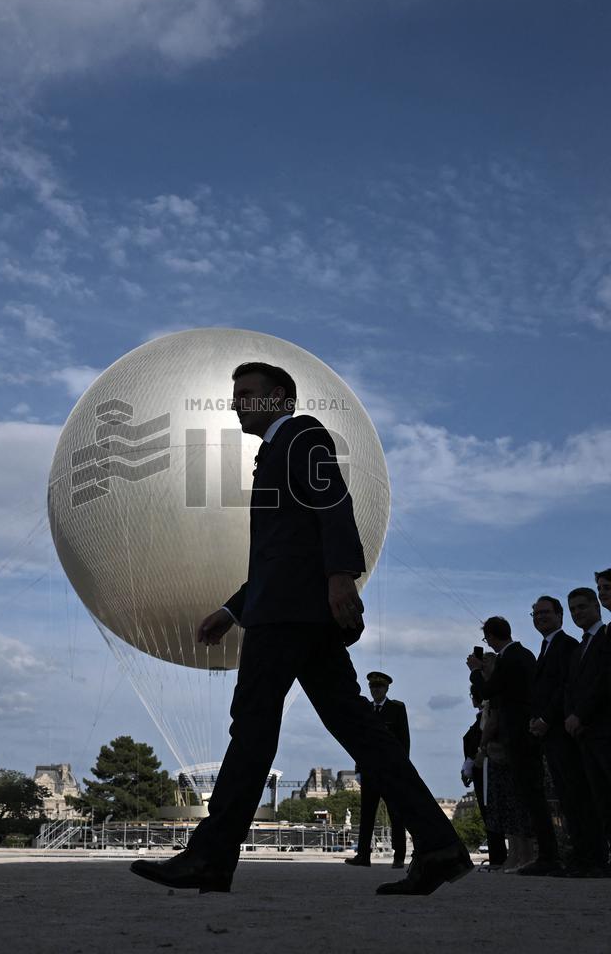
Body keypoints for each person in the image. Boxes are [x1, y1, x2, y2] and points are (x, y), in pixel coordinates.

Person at [131, 361, 470, 896]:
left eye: (247, 393)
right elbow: (283, 552)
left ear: (280, 398)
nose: (236, 403)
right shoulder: (274, 451)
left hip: (287, 618)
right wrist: (232, 609)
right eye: (234, 394)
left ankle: (211, 856)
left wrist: (342, 576)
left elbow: (335, 503)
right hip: (293, 612)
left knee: (253, 728)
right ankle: (440, 845)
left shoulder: (302, 435)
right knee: (361, 732)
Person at [468, 615, 559, 876]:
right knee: (529, 798)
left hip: (518, 736)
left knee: (528, 798)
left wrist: (475, 671)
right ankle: (543, 854)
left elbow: (488, 691)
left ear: (490, 637)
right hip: (524, 733)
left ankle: (543, 855)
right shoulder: (524, 654)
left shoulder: (509, 658)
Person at [528, 595, 603, 876]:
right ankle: (580, 856)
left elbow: (564, 688)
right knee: (567, 797)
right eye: (536, 614)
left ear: (559, 616)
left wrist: (546, 719)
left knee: (578, 796)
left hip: (564, 732)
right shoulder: (548, 647)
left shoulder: (566, 645)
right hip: (552, 733)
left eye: (545, 612)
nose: (540, 618)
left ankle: (592, 856)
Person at [564, 587, 611, 866]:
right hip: (584, 733)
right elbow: (571, 687)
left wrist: (580, 715)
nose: (577, 613)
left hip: (603, 727)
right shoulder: (580, 648)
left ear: (596, 606)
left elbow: (603, 681)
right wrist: (571, 716)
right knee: (600, 799)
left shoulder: (605, 638)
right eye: (573, 609)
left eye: (582, 607)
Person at [346, 671, 409, 868]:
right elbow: (360, 741)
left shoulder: (396, 709)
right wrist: (358, 768)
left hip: (390, 769)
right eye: (373, 687)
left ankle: (399, 856)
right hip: (370, 769)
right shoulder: (366, 709)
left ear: (386, 688)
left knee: (395, 814)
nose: (375, 690)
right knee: (367, 814)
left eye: (379, 687)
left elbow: (404, 740)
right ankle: (363, 855)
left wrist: (402, 767)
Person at [461, 683, 507, 869]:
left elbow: (477, 742)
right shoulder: (482, 718)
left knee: (491, 812)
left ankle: (498, 857)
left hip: (486, 768)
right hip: (483, 767)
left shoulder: (484, 718)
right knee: (491, 813)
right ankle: (498, 856)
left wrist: (469, 764)